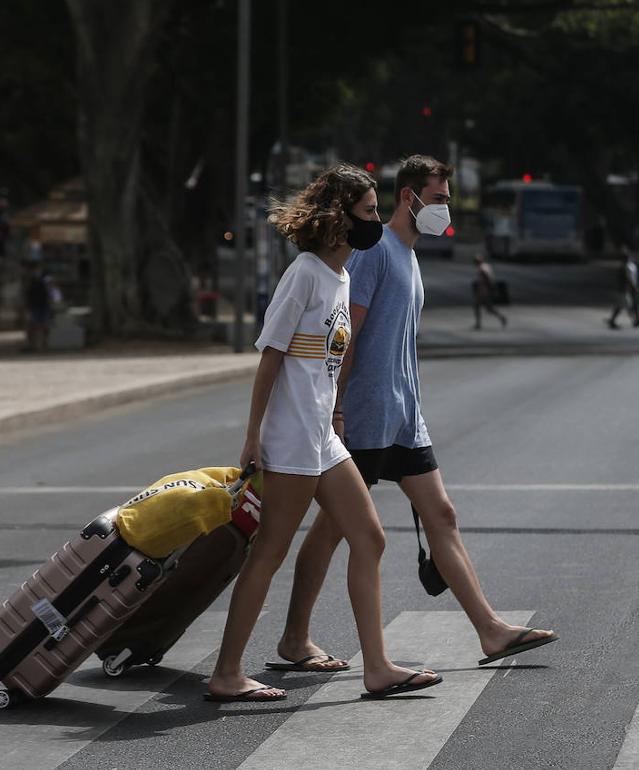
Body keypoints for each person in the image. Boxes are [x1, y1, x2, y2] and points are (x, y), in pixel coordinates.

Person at [275, 155, 557, 676]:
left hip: (404, 416)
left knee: (442, 515)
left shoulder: (409, 254)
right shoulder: (376, 251)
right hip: (362, 415)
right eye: (442, 197)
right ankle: (295, 638)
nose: (447, 208)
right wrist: (335, 406)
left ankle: (491, 631)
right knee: (333, 529)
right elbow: (347, 335)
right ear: (411, 196)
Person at [207, 163, 442, 702]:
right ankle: (226, 672)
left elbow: (330, 364)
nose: (376, 222)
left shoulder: (340, 277)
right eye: (368, 212)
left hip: (323, 436)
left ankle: (377, 667)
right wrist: (253, 437)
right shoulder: (307, 274)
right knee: (269, 552)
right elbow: (271, 356)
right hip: (290, 438)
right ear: (340, 217)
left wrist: (336, 414)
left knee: (370, 536)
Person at [607, 246, 639, 329]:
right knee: (627, 305)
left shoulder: (625, 267)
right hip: (625, 289)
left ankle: (613, 320)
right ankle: (635, 321)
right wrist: (635, 287)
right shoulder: (627, 267)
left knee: (623, 305)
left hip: (624, 289)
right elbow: (629, 279)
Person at [471, 253, 507, 330]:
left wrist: (491, 288)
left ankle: (478, 324)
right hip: (485, 291)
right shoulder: (486, 266)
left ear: (478, 262)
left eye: (475, 262)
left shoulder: (482, 268)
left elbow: (488, 278)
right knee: (489, 309)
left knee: (476, 305)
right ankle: (502, 318)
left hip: (484, 291)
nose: (475, 263)